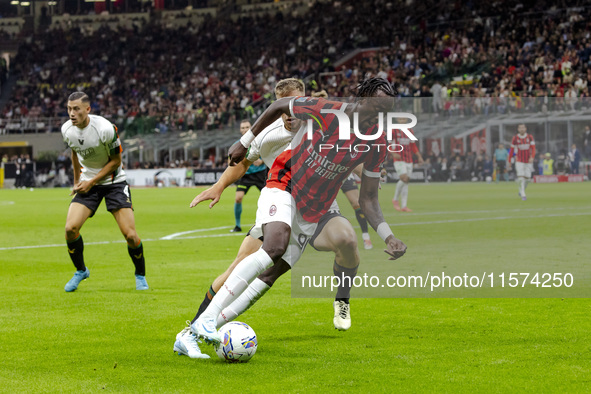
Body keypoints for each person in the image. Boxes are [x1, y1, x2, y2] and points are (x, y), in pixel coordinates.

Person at [191, 78, 407, 346]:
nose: (293, 116)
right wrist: (221, 183)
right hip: (282, 195)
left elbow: (364, 187)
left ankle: (342, 300)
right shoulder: (276, 133)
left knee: (347, 241)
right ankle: (196, 326)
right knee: (245, 265)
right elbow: (243, 160)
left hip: (320, 207)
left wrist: (386, 233)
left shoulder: (343, 128)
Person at [61, 92, 148, 292]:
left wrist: (91, 181)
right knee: (70, 229)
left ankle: (140, 275)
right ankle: (81, 270)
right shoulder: (67, 129)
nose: (71, 113)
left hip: (114, 182)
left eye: (76, 109)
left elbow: (116, 162)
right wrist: (77, 181)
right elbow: (74, 152)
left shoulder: (105, 129)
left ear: (87, 109)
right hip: (88, 183)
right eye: (69, 109)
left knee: (130, 235)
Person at [312, 90, 374, 249]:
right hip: (320, 175)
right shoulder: (309, 125)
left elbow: (350, 152)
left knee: (356, 203)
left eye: (325, 102)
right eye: (319, 102)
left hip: (341, 171)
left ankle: (366, 236)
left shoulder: (340, 123)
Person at [230, 120, 267, 232]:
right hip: (245, 175)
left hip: (260, 174)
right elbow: (231, 160)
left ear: (251, 128)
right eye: (243, 128)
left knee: (268, 199)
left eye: (247, 127)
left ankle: (267, 223)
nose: (245, 129)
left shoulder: (261, 140)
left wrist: (262, 161)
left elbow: (269, 153)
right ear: (240, 130)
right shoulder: (237, 145)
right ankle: (237, 225)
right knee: (238, 198)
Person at [390, 119, 423, 212]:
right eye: (400, 118)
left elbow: (413, 145)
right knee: (404, 178)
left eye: (404, 118)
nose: (402, 120)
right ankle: (395, 200)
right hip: (399, 159)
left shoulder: (410, 130)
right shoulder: (394, 130)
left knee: (406, 182)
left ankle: (404, 206)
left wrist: (419, 156)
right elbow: (387, 143)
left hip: (409, 159)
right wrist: (393, 153)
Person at [507, 124, 536, 201]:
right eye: (520, 128)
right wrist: (509, 160)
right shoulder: (515, 138)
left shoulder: (530, 137)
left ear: (525, 129)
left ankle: (521, 190)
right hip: (519, 160)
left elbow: (533, 149)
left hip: (528, 161)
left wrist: (532, 157)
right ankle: (523, 195)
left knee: (527, 179)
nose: (522, 129)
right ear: (518, 129)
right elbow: (512, 150)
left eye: (523, 128)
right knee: (520, 177)